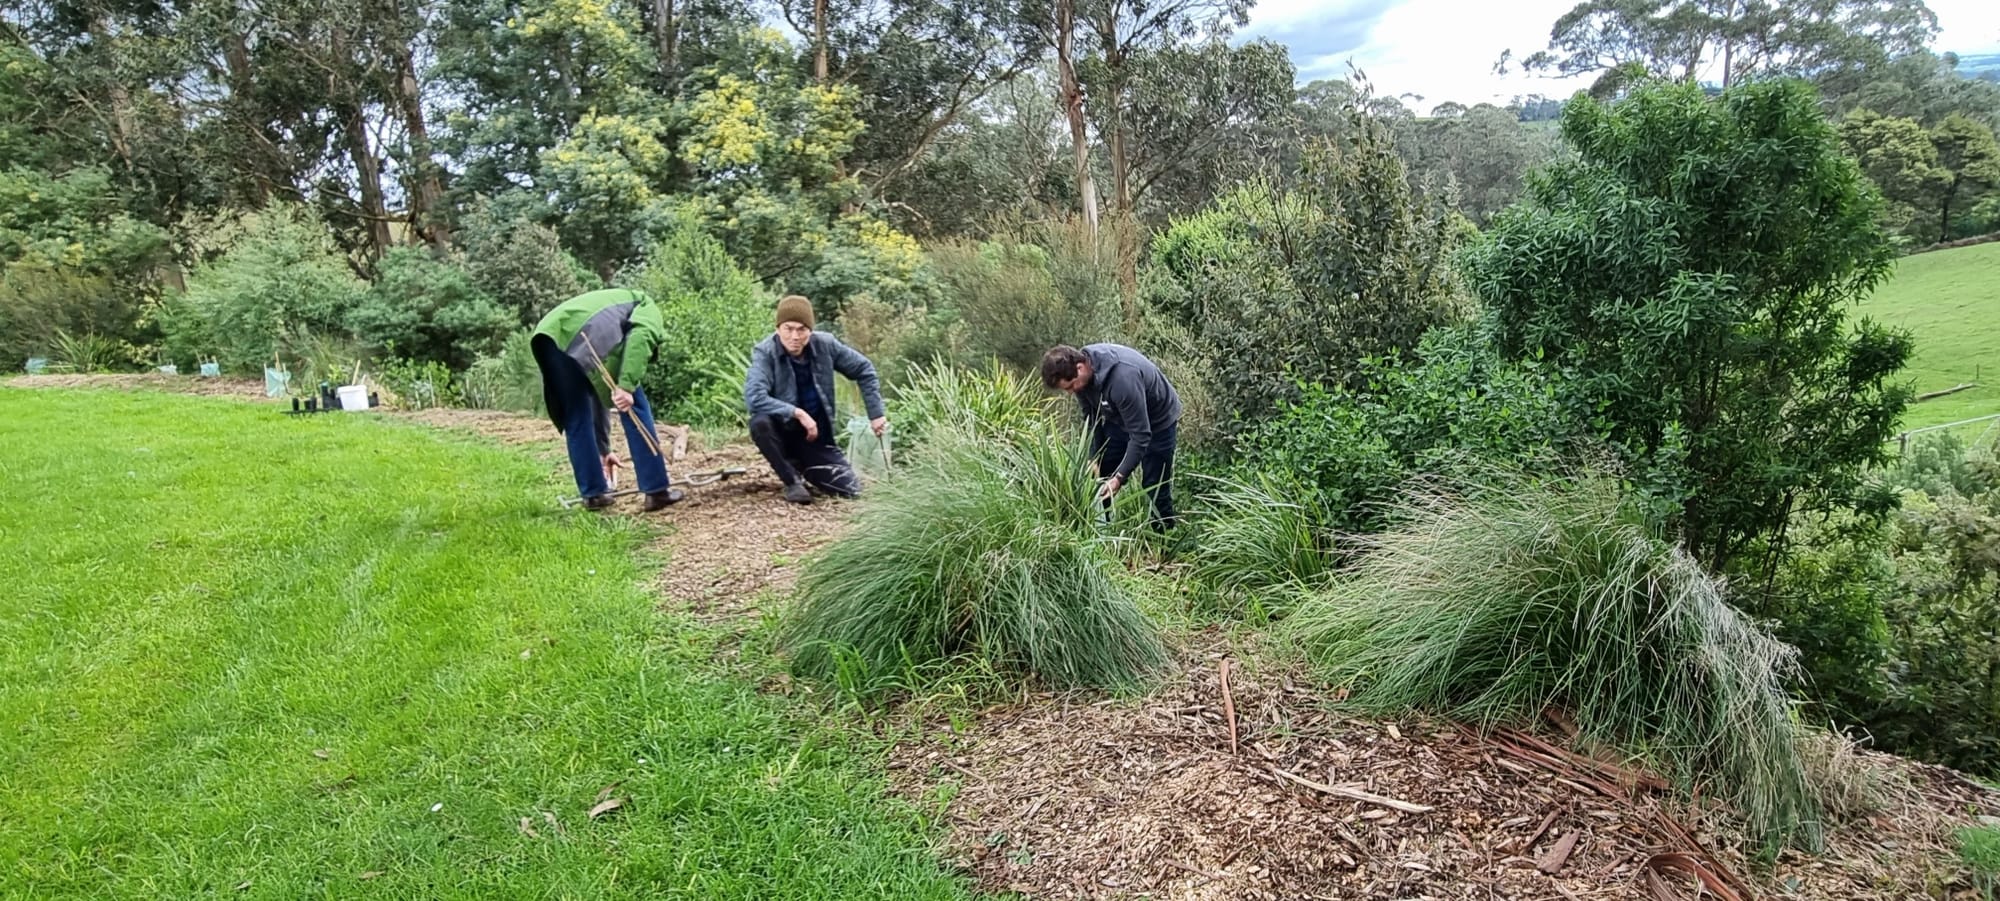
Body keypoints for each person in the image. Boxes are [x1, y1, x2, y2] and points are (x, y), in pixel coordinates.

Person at [530, 287, 685, 511]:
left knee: (577, 413)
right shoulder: (648, 307)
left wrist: (604, 449)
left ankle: (594, 494)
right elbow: (642, 337)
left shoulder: (618, 306)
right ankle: (656, 490)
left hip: (549, 335)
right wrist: (626, 386)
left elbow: (599, 396)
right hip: (581, 330)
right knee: (635, 403)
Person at [743, 295, 887, 504]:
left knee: (852, 490)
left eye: (801, 329)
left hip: (816, 437)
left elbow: (864, 369)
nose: (794, 336)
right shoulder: (765, 352)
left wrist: (876, 413)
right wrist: (798, 413)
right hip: (782, 430)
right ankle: (791, 480)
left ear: (810, 330)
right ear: (778, 328)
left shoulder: (825, 345)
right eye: (788, 328)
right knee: (760, 423)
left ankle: (807, 466)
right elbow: (754, 398)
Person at [1041, 343, 1182, 530]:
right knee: (1101, 473)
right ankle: (1103, 532)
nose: (1070, 392)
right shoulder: (1082, 379)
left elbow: (1140, 436)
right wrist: (1093, 457)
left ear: (1080, 368)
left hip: (1158, 422)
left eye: (1071, 386)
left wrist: (1120, 477)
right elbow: (1092, 419)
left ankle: (1164, 538)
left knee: (1154, 486)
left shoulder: (1122, 379)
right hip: (1119, 417)